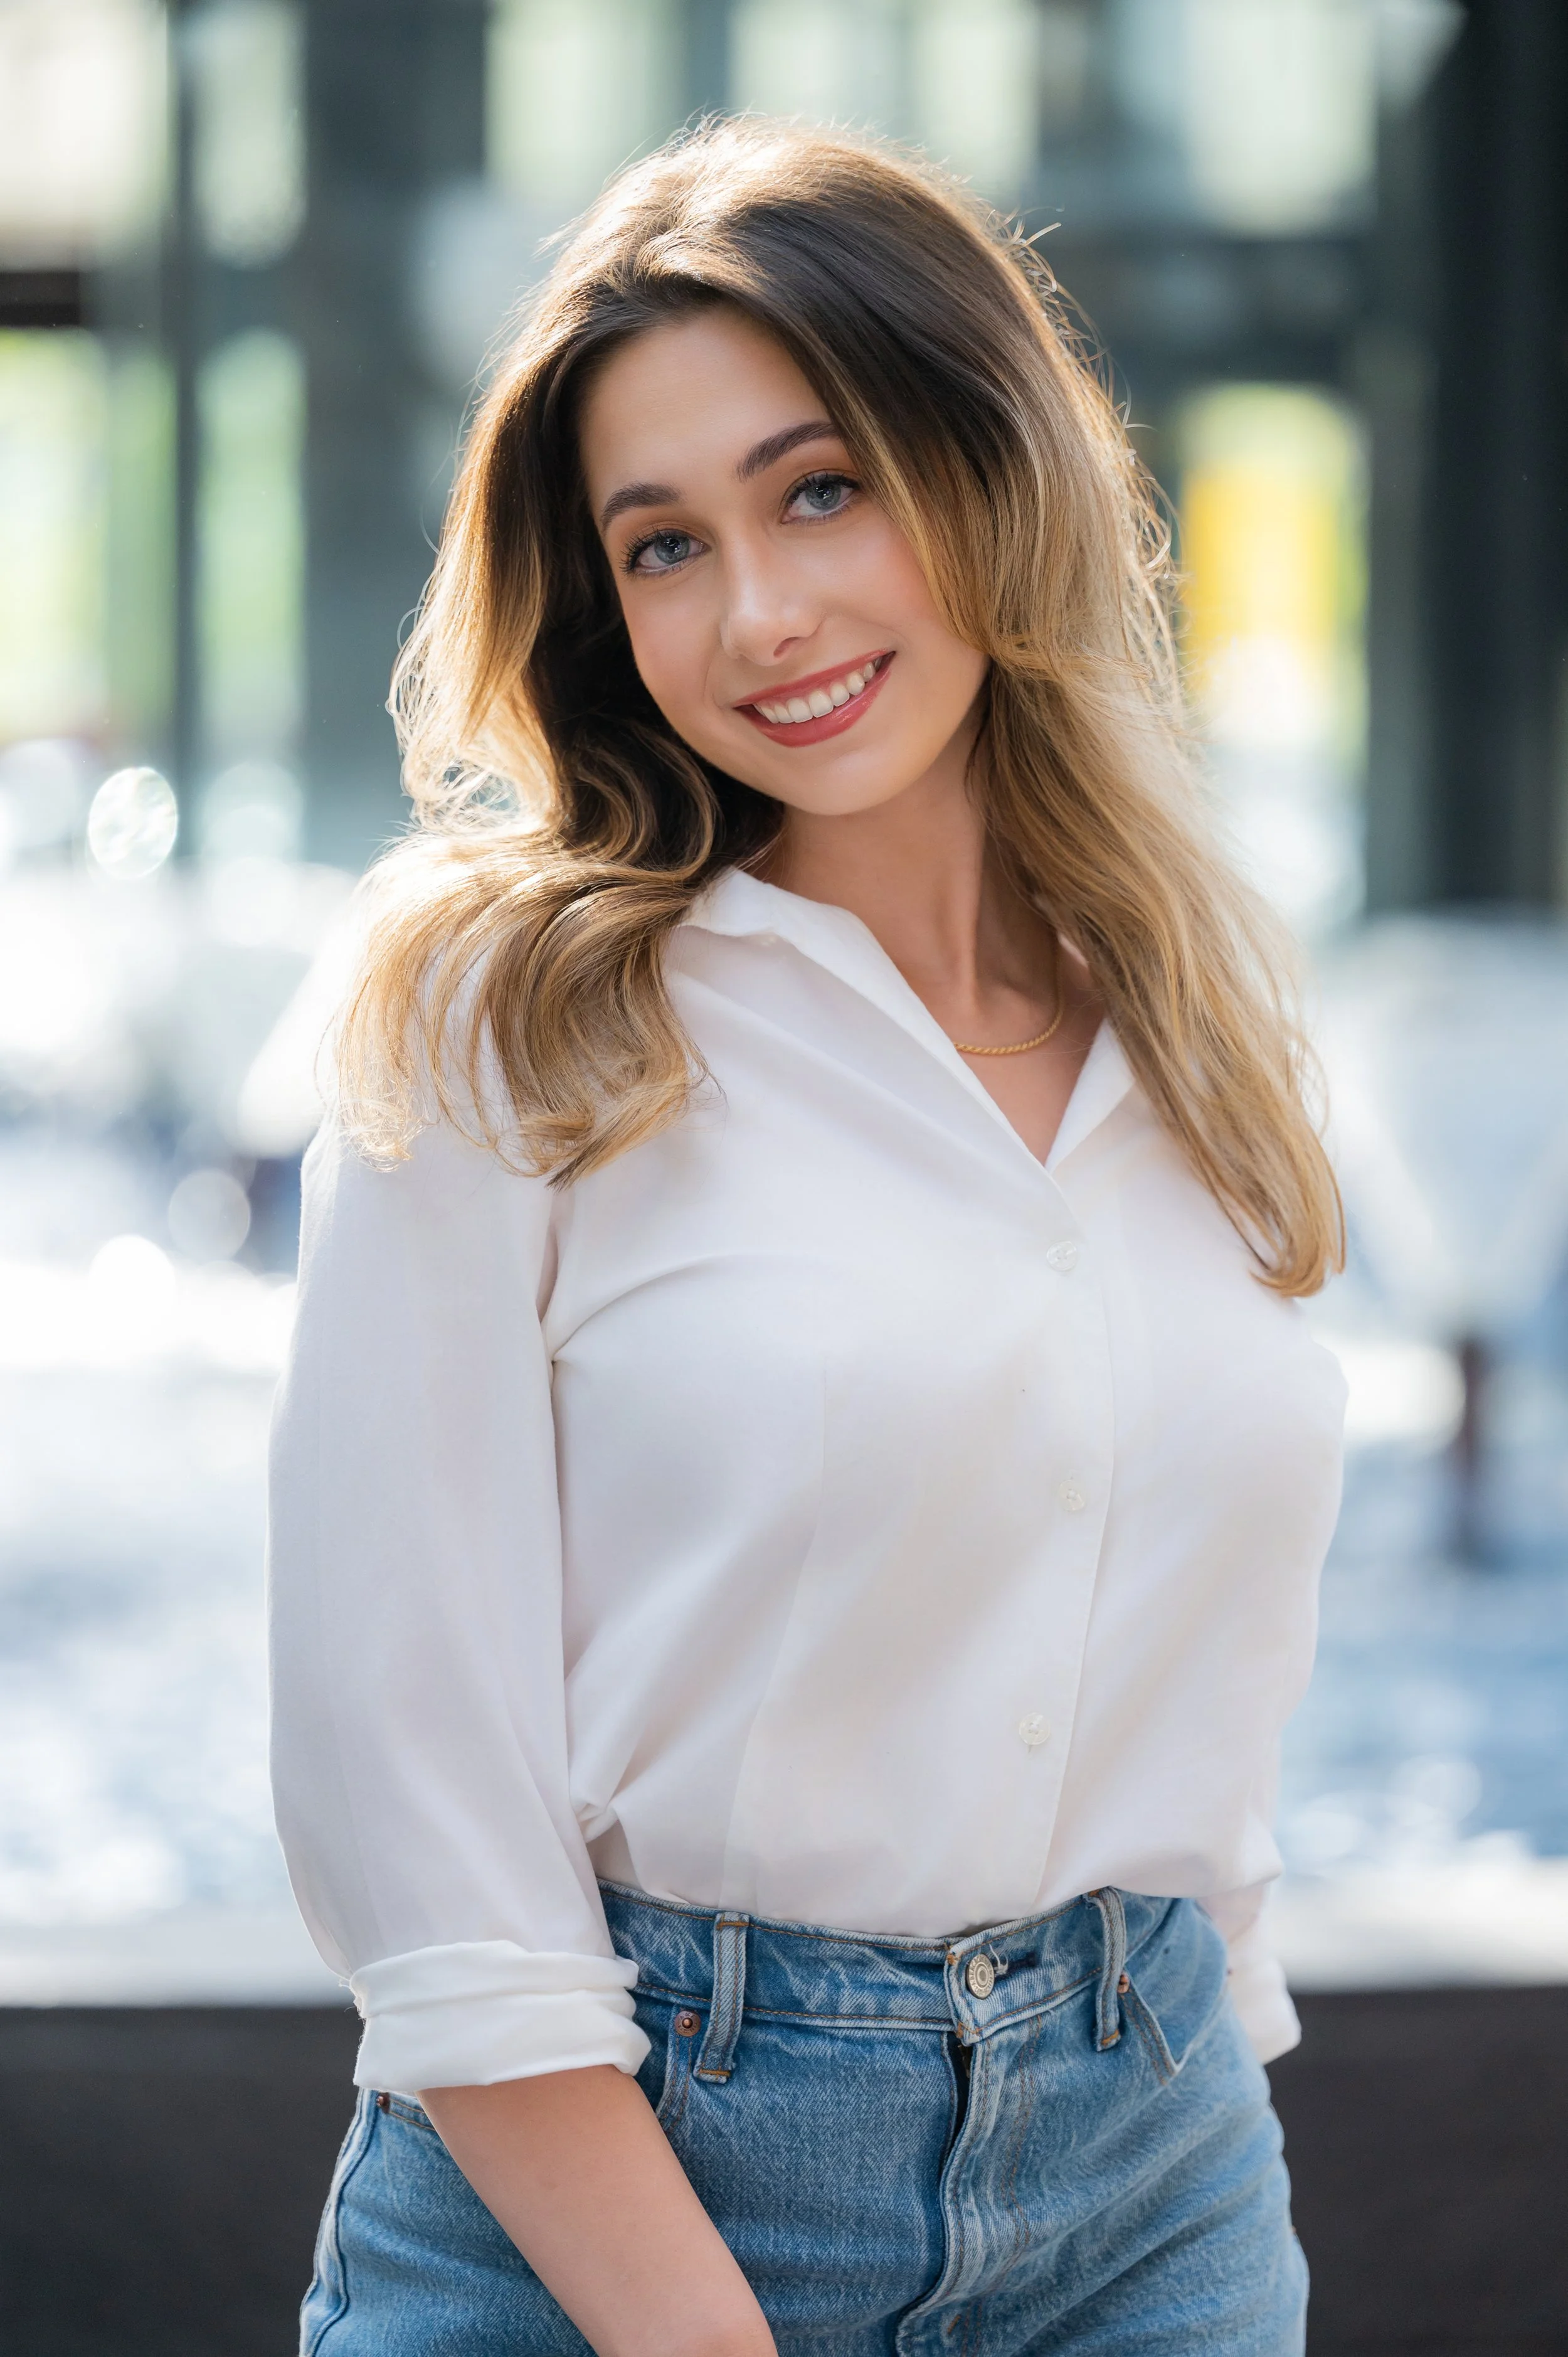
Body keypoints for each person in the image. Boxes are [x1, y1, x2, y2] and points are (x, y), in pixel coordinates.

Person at [270, 119, 1347, 2357]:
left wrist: (1181, 2033)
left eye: (820, 487)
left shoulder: (1195, 1010)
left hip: (1150, 2182)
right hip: (617, 2199)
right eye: (662, 544)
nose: (757, 614)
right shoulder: (504, 1016)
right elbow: (409, 1789)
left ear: (989, 468)